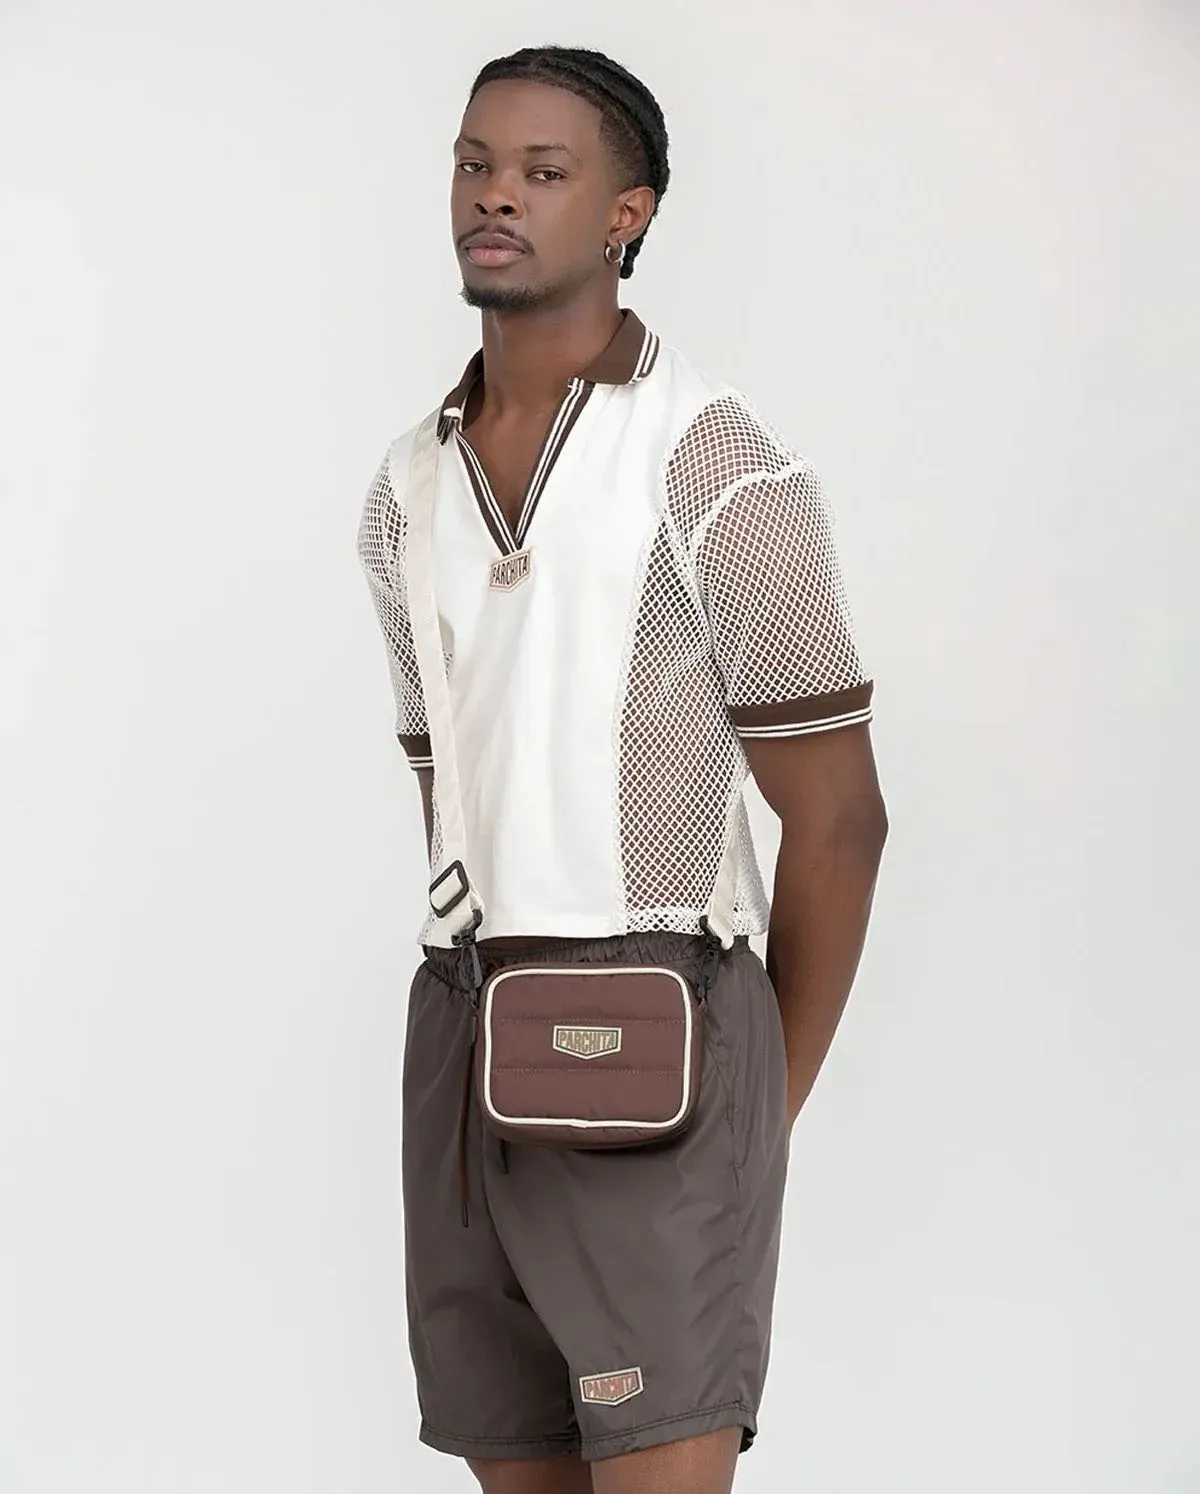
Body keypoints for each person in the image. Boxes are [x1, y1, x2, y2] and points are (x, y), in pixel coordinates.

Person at [357, 45, 888, 1494]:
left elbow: (840, 818)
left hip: (663, 1018)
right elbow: (445, 784)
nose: (496, 197)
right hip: (467, 1023)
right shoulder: (405, 486)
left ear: (625, 215)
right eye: (476, 164)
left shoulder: (712, 460)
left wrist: (752, 1110)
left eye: (544, 172)